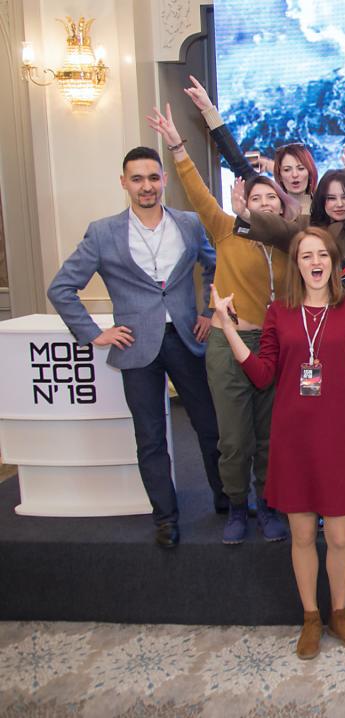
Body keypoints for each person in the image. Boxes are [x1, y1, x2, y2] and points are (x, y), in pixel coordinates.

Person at [210, 226, 345, 660]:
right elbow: (262, 375)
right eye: (306, 256)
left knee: (339, 537)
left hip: (338, 437)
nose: (315, 262)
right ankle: (311, 617)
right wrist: (228, 328)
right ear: (295, 264)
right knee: (301, 535)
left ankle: (340, 613)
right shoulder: (278, 312)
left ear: (334, 263)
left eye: (322, 255)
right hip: (293, 438)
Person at [47, 146, 222, 548]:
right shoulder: (103, 232)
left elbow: (215, 265)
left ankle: (227, 501)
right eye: (138, 179)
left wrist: (209, 311)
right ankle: (166, 518)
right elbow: (61, 288)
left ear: (164, 180)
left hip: (186, 340)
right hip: (136, 346)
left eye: (153, 178)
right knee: (151, 436)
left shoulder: (189, 223)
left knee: (210, 427)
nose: (147, 186)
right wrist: (94, 333)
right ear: (124, 182)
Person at [147, 104, 295, 544]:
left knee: (269, 436)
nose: (264, 203)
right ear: (244, 202)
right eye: (256, 198)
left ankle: (267, 505)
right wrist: (177, 147)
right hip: (229, 343)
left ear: (282, 205)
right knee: (234, 438)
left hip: (273, 347)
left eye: (271, 198)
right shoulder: (226, 229)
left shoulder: (292, 241)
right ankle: (236, 505)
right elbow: (196, 192)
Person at [246, 120, 345, 534]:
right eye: (331, 197)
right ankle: (318, 494)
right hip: (315, 344)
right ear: (321, 201)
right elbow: (279, 230)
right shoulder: (311, 234)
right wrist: (245, 214)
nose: (340, 203)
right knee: (318, 429)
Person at [182, 75, 317, 216]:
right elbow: (237, 160)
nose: (295, 175)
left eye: (301, 168)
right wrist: (209, 110)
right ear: (280, 176)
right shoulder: (270, 206)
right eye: (287, 170)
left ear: (310, 171)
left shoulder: (325, 204)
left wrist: (269, 165)